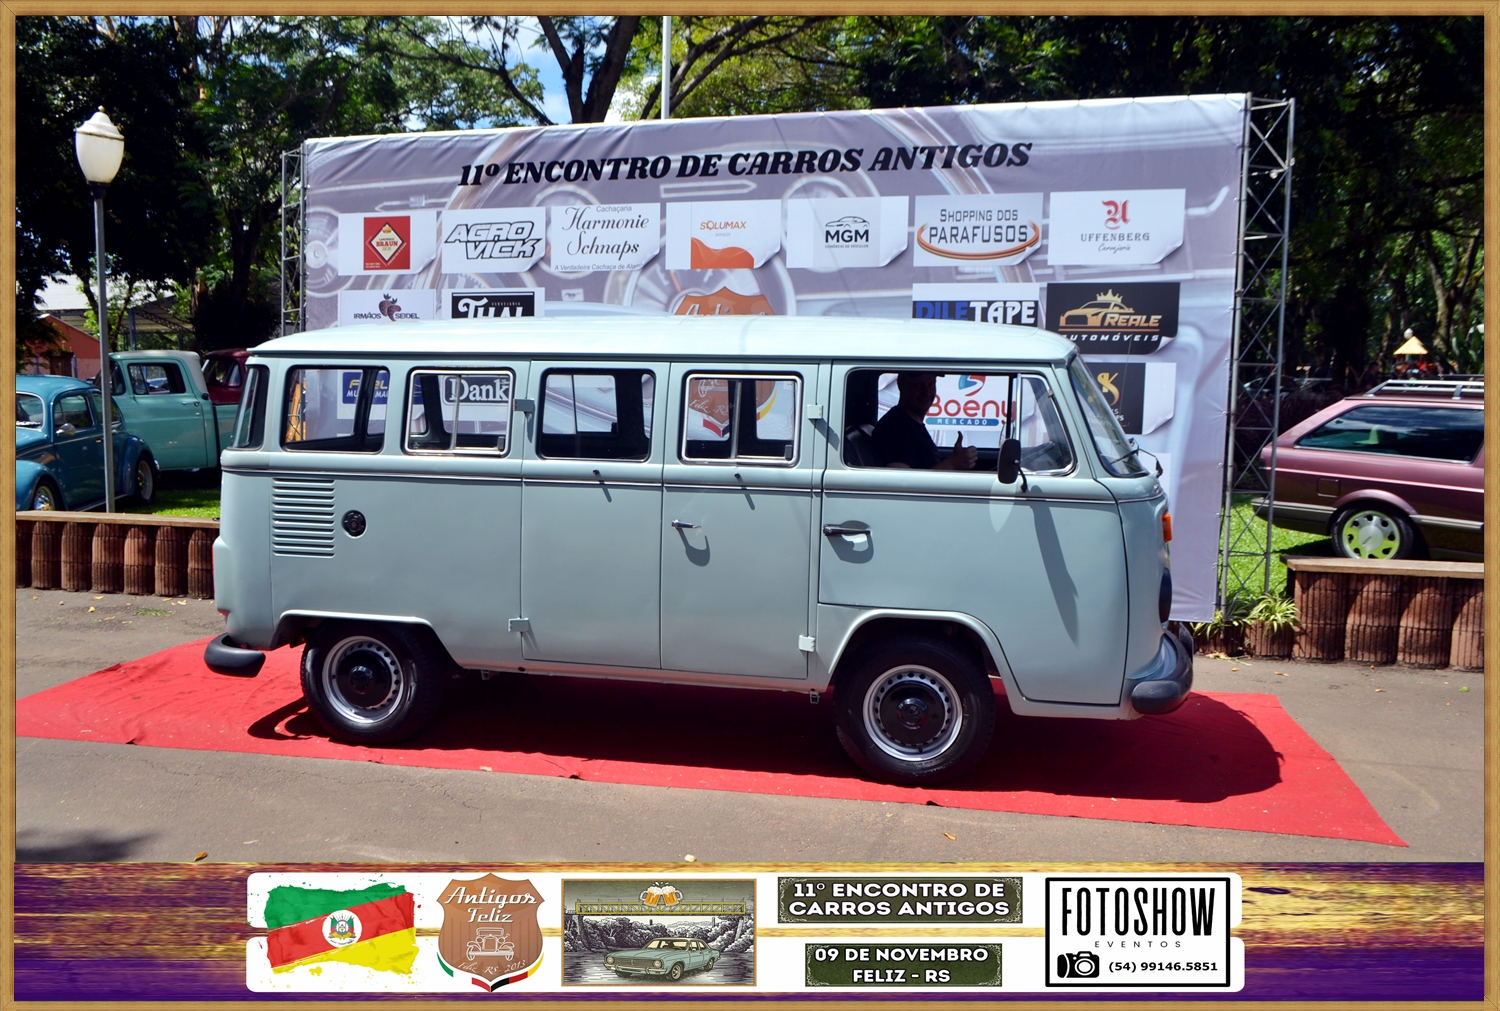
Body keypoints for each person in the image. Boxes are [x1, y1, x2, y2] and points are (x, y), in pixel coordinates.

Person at [872, 371, 978, 470]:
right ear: (901, 385)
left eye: (931, 384)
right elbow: (900, 480)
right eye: (918, 385)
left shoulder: (912, 425)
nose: (926, 392)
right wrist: (952, 463)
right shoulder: (894, 428)